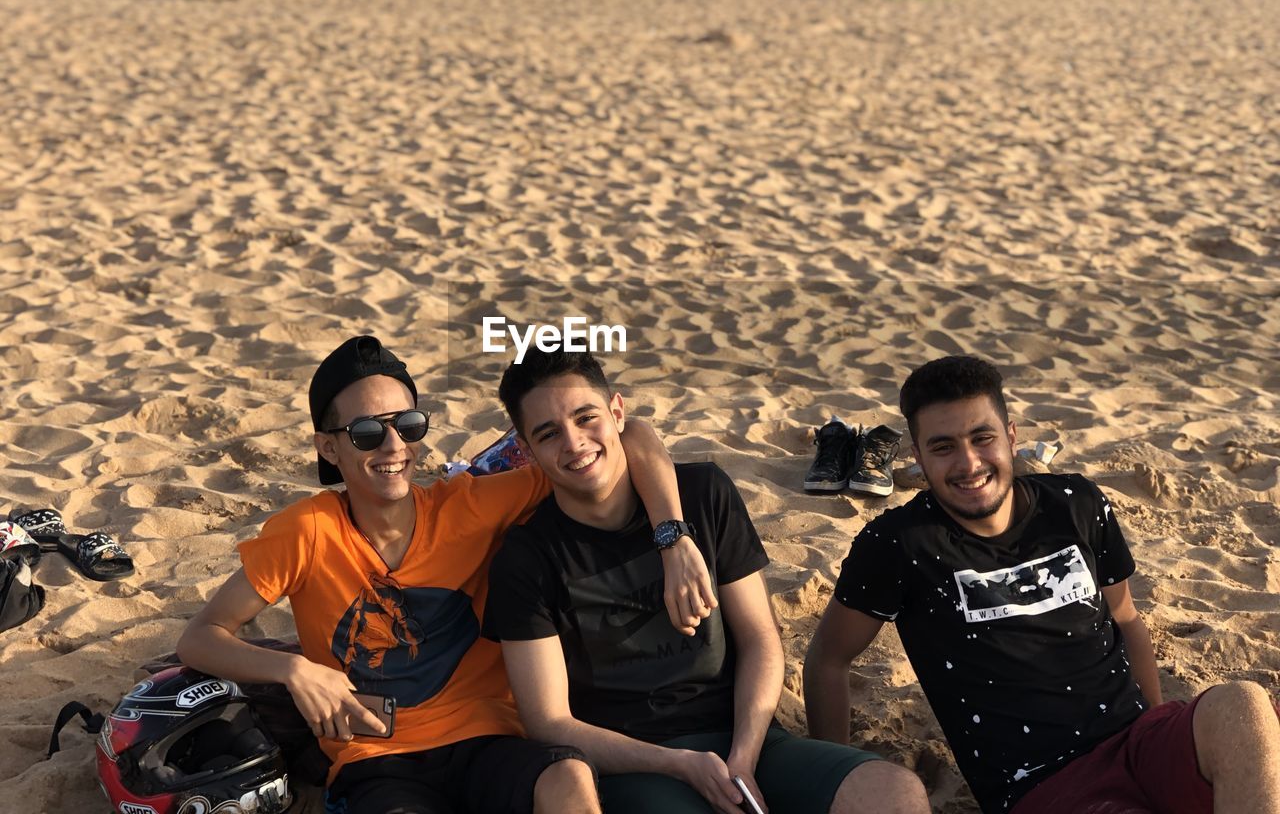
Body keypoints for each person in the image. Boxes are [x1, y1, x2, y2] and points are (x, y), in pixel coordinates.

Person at [177, 335, 716, 814]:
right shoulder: (305, 532)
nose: (393, 447)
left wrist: (673, 537)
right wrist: (295, 672)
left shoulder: (473, 504)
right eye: (366, 432)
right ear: (328, 446)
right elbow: (200, 638)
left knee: (569, 775)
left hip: (494, 739)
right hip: (378, 757)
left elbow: (634, 434)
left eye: (407, 426)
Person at [803, 355, 1280, 814]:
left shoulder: (1076, 503)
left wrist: (1154, 725)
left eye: (982, 437)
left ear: (1011, 437)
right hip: (1043, 784)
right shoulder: (900, 544)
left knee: (1244, 705)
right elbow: (829, 657)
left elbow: (1126, 619)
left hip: (1135, 742)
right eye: (944, 447)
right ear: (919, 459)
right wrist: (836, 777)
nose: (969, 464)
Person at [482, 346, 930, 814]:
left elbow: (760, 639)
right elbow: (549, 723)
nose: (574, 443)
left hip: (746, 740)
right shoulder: (526, 557)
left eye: (586, 417)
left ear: (617, 411)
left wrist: (744, 755)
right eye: (549, 433)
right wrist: (678, 764)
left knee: (895, 792)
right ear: (526, 448)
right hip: (636, 766)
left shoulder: (703, 494)